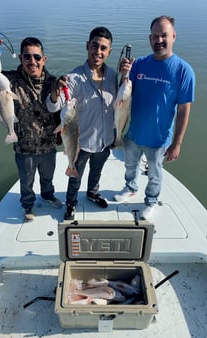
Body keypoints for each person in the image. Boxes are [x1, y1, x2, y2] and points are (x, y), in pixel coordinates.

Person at [0, 34, 62, 221]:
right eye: (27, 56)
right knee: (26, 182)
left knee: (48, 177)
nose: (32, 61)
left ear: (44, 60)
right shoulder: (8, 79)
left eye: (37, 57)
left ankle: (47, 195)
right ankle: (27, 205)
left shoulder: (53, 82)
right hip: (24, 146)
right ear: (20, 58)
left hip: (48, 146)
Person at [114, 15, 195, 220]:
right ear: (150, 38)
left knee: (154, 174)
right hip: (133, 133)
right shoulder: (139, 64)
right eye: (155, 36)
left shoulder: (184, 71)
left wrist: (177, 143)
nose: (159, 40)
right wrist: (123, 72)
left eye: (164, 36)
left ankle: (150, 201)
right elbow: (123, 92)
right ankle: (130, 187)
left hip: (159, 139)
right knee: (130, 166)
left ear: (174, 37)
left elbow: (184, 110)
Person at [47, 26, 117, 220]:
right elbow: (54, 106)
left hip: (105, 140)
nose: (98, 52)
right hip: (81, 142)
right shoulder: (73, 78)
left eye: (103, 48)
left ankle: (93, 193)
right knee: (75, 174)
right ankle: (71, 203)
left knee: (97, 171)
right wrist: (55, 93)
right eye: (95, 46)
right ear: (87, 46)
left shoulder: (112, 75)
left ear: (109, 52)